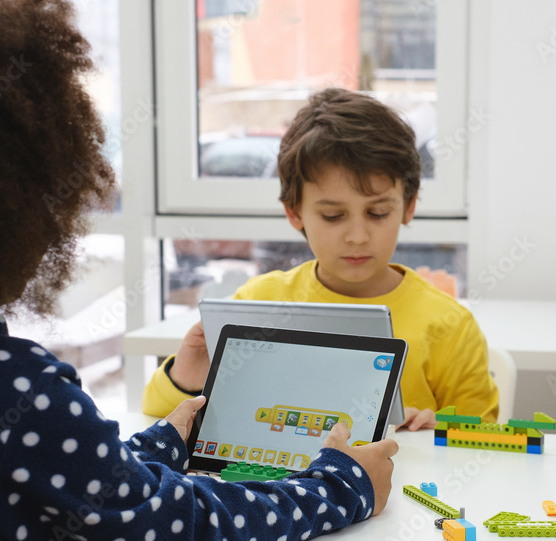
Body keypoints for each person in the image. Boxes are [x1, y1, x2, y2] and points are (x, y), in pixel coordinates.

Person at [0, 0, 396, 541]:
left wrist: (163, 442)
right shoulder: (3, 393)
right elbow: (168, 533)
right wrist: (340, 486)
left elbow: (69, 485)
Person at [142, 88, 499, 430]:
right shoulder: (260, 303)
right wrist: (186, 377)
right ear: (295, 212)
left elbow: (484, 441)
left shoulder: (449, 326)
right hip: (282, 492)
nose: (357, 236)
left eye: (377, 213)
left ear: (409, 206)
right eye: (332, 216)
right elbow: (156, 417)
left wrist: (439, 430)